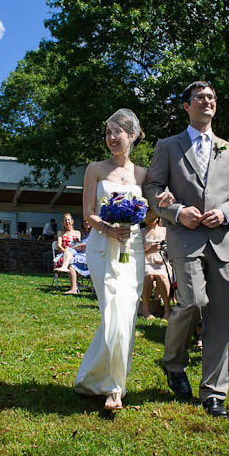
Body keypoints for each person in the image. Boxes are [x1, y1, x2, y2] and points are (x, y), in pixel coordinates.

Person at [145, 81, 229, 418]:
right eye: (200, 98)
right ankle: (173, 361)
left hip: (221, 240)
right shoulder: (168, 145)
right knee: (193, 300)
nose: (207, 101)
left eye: (212, 98)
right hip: (184, 238)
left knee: (221, 316)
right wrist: (176, 212)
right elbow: (152, 188)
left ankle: (214, 392)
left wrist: (227, 213)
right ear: (186, 106)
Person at [75, 108, 153, 411]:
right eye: (107, 133)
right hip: (99, 248)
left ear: (131, 135)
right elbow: (87, 213)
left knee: (126, 316)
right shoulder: (95, 169)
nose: (110, 138)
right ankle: (98, 379)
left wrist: (159, 216)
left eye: (116, 132)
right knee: (112, 315)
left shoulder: (142, 174)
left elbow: (151, 216)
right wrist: (107, 228)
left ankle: (113, 388)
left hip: (131, 251)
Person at [141, 216, 172, 320]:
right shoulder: (141, 232)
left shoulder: (165, 231)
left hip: (163, 262)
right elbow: (137, 254)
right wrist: (150, 250)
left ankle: (167, 310)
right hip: (146, 261)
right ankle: (146, 309)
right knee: (148, 275)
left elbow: (172, 249)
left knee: (162, 277)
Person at [54, 213, 89, 294]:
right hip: (64, 253)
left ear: (72, 221)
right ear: (63, 222)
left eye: (69, 220)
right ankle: (75, 285)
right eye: (65, 220)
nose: (67, 222)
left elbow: (80, 245)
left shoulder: (77, 233)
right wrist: (66, 253)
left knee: (73, 259)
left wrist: (76, 243)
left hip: (76, 253)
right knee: (69, 259)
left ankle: (75, 285)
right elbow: (59, 246)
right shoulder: (60, 232)